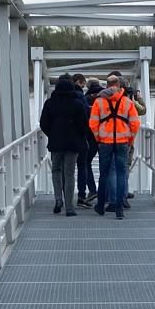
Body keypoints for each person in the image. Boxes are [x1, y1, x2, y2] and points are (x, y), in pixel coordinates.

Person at [89, 72, 141, 219]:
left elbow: (92, 123)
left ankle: (100, 205)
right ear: (119, 86)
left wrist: (98, 137)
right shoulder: (127, 102)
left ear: (107, 85)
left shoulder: (99, 102)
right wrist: (130, 139)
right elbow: (135, 124)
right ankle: (119, 208)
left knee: (104, 174)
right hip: (122, 142)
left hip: (105, 142)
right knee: (121, 173)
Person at [39, 73, 92, 216]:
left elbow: (43, 123)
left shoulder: (50, 103)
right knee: (69, 173)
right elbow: (84, 125)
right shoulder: (78, 104)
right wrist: (80, 136)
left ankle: (58, 199)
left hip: (56, 143)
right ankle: (69, 207)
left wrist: (52, 134)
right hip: (73, 144)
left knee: (56, 170)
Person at [72, 73, 97, 206]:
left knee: (72, 168)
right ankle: (110, 194)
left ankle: (65, 198)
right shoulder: (107, 97)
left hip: (80, 137)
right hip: (104, 136)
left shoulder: (83, 97)